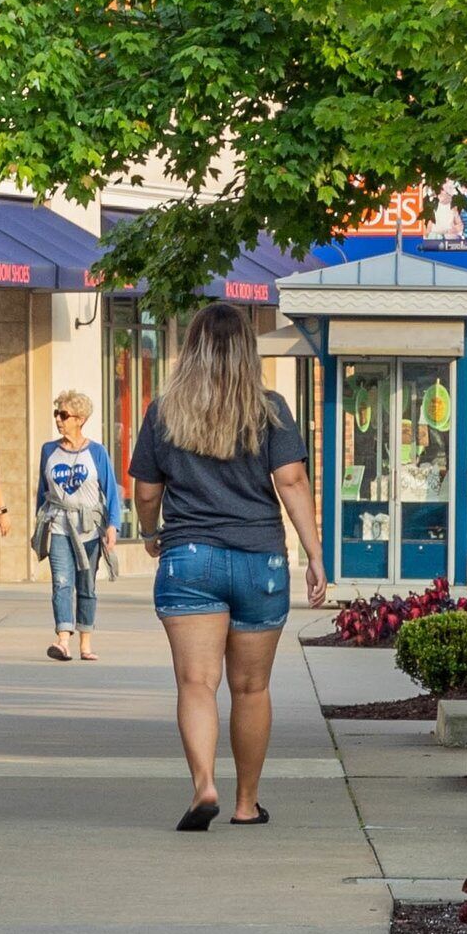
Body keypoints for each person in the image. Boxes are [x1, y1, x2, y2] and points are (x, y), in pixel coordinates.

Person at [128, 302, 326, 830]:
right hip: (259, 559)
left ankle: (203, 785)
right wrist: (314, 555)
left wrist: (151, 533)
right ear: (247, 350)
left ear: (191, 348)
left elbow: (145, 490)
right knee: (251, 688)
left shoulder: (165, 411)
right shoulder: (272, 410)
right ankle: (245, 803)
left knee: (196, 683)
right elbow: (292, 483)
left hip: (189, 558)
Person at [35, 391, 122, 661]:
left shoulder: (97, 452)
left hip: (90, 528)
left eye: (64, 415)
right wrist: (39, 524)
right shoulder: (49, 450)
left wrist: (113, 526)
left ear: (80, 419)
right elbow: (42, 491)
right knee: (61, 582)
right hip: (60, 525)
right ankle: (63, 639)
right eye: (56, 414)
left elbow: (110, 491)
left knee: (87, 586)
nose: (59, 420)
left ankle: (85, 642)